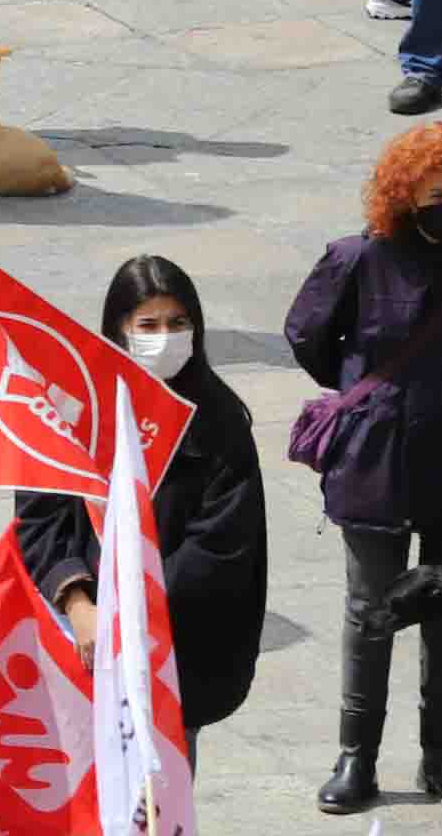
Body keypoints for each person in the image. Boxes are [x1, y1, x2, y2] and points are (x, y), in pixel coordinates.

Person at [290, 123, 442, 806]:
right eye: (436, 192)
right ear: (405, 194)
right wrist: (363, 388)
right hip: (376, 458)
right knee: (370, 611)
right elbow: (306, 333)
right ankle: (355, 757)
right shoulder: (359, 257)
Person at [16, 257, 268, 738]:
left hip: (173, 653)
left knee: (161, 803)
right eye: (148, 324)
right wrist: (78, 603)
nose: (164, 335)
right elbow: (39, 521)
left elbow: (222, 542)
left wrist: (130, 615)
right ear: (119, 330)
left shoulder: (219, 422)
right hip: (78, 645)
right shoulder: (75, 409)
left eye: (178, 323)